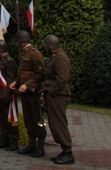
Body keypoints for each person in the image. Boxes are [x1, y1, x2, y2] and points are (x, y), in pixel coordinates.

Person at [10, 30, 46, 158]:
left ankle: (40, 146)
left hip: (34, 92)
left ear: (21, 41)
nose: (16, 43)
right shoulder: (24, 53)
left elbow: (40, 74)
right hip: (25, 92)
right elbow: (23, 72)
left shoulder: (35, 54)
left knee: (37, 119)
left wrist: (27, 85)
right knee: (28, 119)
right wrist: (16, 82)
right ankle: (31, 144)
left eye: (17, 41)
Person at [41, 34, 75, 165]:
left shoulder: (61, 58)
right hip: (55, 95)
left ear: (50, 47)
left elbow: (62, 78)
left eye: (46, 47)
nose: (45, 49)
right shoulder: (55, 57)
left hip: (58, 95)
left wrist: (51, 91)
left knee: (59, 123)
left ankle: (68, 152)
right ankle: (65, 151)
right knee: (55, 123)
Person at [0, 39, 19, 151]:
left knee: (10, 119)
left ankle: (13, 140)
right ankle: (5, 138)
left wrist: (7, 95)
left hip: (6, 94)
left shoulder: (10, 62)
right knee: (1, 118)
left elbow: (10, 79)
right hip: (0, 94)